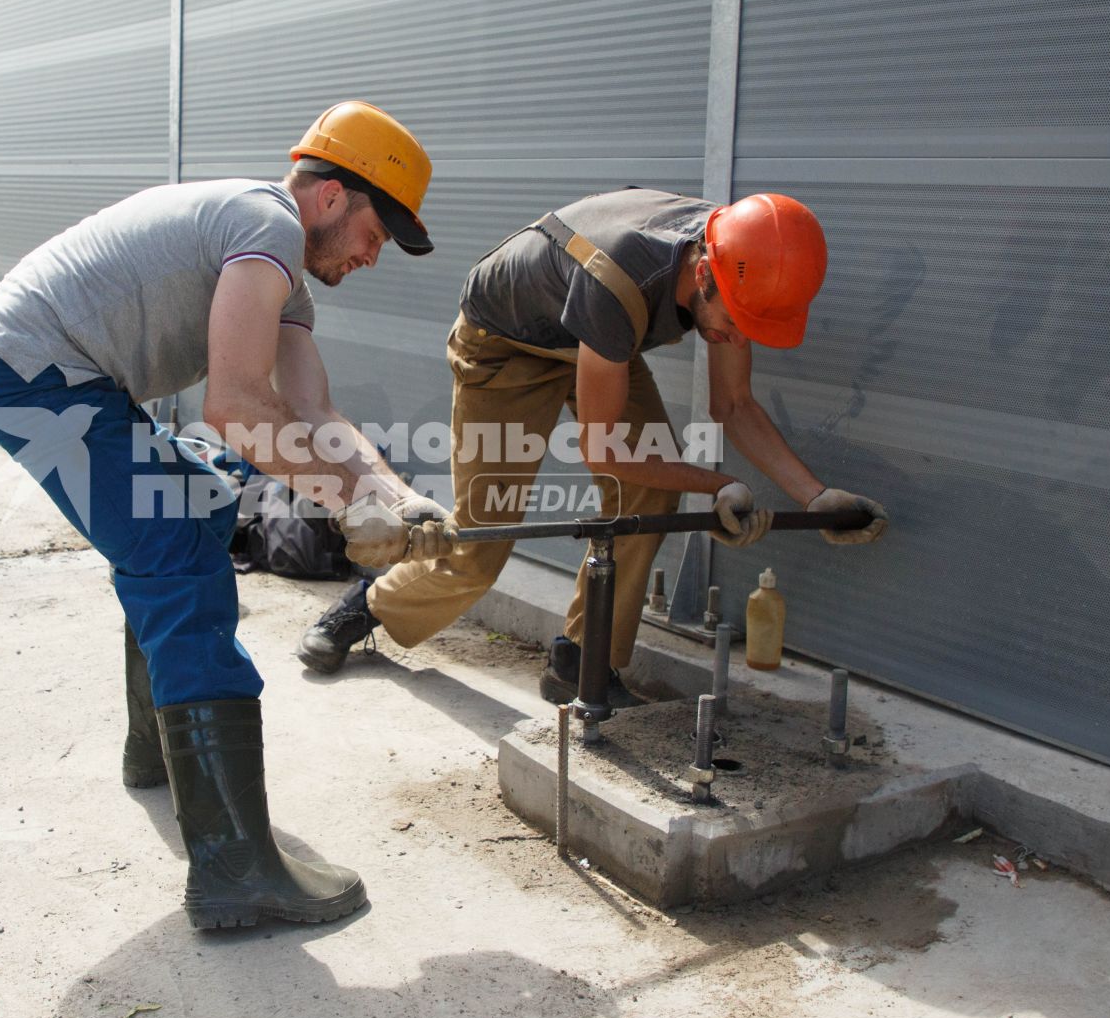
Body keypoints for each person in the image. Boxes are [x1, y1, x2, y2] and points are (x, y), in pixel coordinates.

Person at [0, 102, 451, 931]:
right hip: (31, 374)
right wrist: (342, 504)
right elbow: (236, 406)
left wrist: (394, 496)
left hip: (67, 376)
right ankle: (233, 871)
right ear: (329, 197)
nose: (375, 255)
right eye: (377, 230)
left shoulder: (280, 268)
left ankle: (158, 753)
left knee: (199, 500)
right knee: (180, 559)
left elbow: (311, 405)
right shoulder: (265, 225)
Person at [297, 188, 890, 704]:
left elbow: (733, 405)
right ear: (705, 273)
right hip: (509, 343)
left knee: (647, 498)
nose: (736, 338)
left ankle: (581, 662)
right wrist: (718, 485)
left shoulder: (739, 255)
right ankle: (367, 607)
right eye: (735, 323)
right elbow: (604, 451)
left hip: (599, 337)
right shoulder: (626, 280)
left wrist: (814, 497)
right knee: (484, 540)